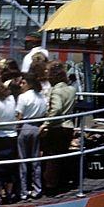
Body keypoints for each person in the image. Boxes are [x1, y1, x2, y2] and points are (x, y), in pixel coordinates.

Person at [41, 61, 77, 195]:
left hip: (57, 128)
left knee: (51, 157)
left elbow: (56, 109)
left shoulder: (55, 90)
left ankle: (50, 186)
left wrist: (46, 124)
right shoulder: (71, 89)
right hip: (69, 127)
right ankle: (61, 183)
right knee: (62, 156)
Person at [16, 73, 47, 199]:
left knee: (23, 160)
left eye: (23, 83)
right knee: (35, 160)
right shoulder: (41, 97)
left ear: (28, 84)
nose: (21, 85)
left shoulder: (23, 97)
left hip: (25, 126)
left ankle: (23, 191)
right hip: (37, 127)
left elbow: (19, 115)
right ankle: (37, 188)